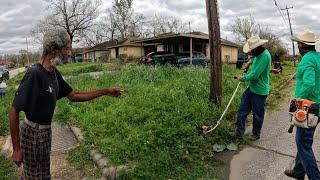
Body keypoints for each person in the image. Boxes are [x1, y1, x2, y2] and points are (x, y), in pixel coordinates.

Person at [9, 28, 124, 180]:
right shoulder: (35, 74)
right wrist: (16, 149)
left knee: (38, 175)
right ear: (55, 49)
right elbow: (14, 110)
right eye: (67, 48)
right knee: (35, 176)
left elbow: (74, 95)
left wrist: (105, 91)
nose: (70, 52)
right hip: (33, 134)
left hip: (45, 133)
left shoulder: (54, 74)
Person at [284, 29, 320, 180]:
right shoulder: (316, 57)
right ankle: (299, 171)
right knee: (303, 141)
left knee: (303, 143)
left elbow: (309, 84)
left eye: (299, 43)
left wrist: (298, 103)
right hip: (316, 104)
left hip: (309, 107)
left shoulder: (307, 60)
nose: (298, 46)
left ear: (302, 45)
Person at [231, 36, 271, 141]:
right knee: (241, 110)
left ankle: (256, 134)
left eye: (251, 51)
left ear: (256, 48)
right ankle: (239, 133)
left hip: (260, 91)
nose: (250, 53)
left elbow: (254, 76)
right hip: (252, 88)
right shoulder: (258, 54)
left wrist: (242, 78)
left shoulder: (265, 56)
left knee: (257, 114)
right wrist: (249, 63)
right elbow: (254, 58)